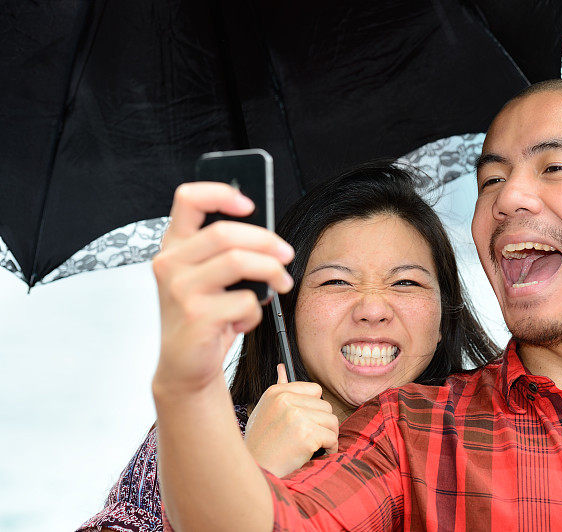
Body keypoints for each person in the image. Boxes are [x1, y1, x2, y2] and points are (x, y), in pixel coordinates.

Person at [154, 80, 562, 531]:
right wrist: (188, 383)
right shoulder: (405, 431)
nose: (509, 197)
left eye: (553, 168)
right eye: (491, 178)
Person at [78, 163, 498, 531]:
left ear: (444, 317)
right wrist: (248, 474)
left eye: (405, 282)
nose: (373, 308)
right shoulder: (199, 441)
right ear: (288, 309)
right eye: (336, 281)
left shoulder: (490, 445)